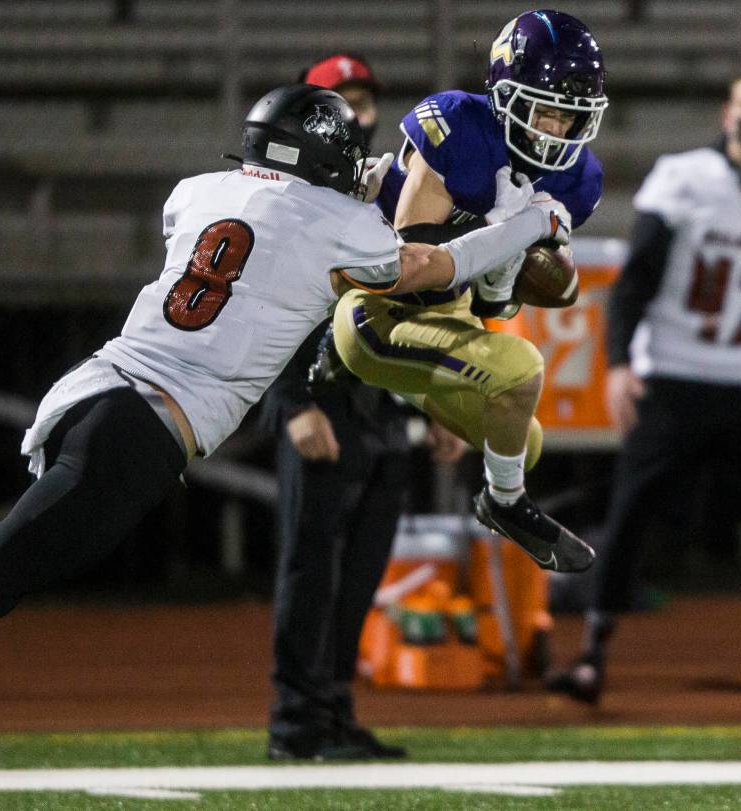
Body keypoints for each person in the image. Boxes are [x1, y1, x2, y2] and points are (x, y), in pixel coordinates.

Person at [0, 82, 571, 788]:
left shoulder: (194, 192)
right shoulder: (334, 224)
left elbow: (258, 234)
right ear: (318, 157)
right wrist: (526, 220)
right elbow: (430, 267)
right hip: (146, 426)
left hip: (92, 390)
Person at [316, 9, 607, 574]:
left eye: (570, 119)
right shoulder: (457, 124)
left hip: (447, 316)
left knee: (524, 439)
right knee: (520, 369)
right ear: (504, 95)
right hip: (375, 309)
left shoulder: (578, 177)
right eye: (545, 110)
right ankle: (506, 505)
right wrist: (514, 232)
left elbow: (499, 300)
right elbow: (409, 269)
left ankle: (490, 478)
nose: (555, 130)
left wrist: (510, 265)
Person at [262, 54, 466, 761]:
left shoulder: (392, 189)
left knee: (356, 579)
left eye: (362, 98)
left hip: (378, 408)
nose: (357, 109)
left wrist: (442, 400)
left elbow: (413, 304)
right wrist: (292, 403)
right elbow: (267, 309)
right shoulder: (285, 196)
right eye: (338, 98)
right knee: (310, 570)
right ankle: (295, 724)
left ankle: (334, 713)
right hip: (323, 403)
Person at [547, 64, 741, 704]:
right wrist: (618, 365)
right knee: (632, 515)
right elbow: (635, 280)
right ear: (727, 113)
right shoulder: (685, 177)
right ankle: (591, 656)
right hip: (676, 374)